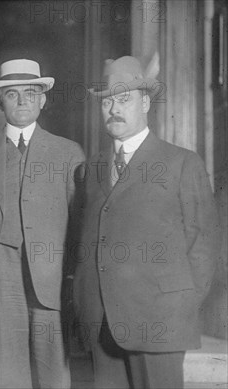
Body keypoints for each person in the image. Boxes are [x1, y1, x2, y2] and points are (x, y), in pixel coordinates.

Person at [72, 55, 221, 389]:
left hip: (160, 323)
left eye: (123, 99)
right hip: (102, 323)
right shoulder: (90, 169)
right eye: (107, 101)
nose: (113, 109)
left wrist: (178, 304)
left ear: (145, 102)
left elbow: (205, 244)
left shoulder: (182, 163)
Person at [0, 59, 84, 388]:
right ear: (0, 101)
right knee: (8, 367)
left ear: (43, 99)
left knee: (53, 364)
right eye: (12, 94)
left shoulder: (68, 154)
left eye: (31, 93)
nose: (23, 101)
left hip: (51, 274)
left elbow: (80, 222)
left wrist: (73, 276)